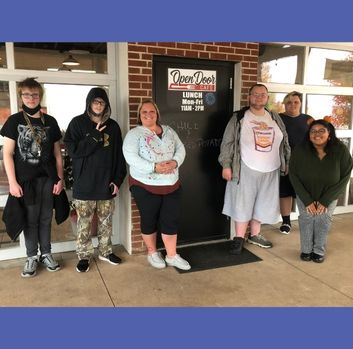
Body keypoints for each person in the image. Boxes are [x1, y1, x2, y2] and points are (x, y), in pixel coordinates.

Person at [0, 77, 64, 277]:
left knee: (46, 218)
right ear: (21, 96)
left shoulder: (50, 121)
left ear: (40, 96)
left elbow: (57, 155)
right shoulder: (14, 121)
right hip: (25, 181)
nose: (31, 98)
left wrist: (60, 178)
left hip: (47, 179)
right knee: (30, 220)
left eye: (35, 94)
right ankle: (31, 257)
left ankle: (46, 253)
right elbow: (7, 154)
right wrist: (12, 182)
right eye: (26, 94)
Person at [219, 83, 290, 255]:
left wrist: (286, 161)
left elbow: (284, 139)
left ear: (267, 98)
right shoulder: (239, 117)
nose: (259, 97)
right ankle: (239, 237)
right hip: (245, 167)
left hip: (271, 168)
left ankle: (256, 234)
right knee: (243, 202)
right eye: (255, 94)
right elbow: (227, 142)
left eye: (263, 94)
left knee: (263, 202)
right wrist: (226, 165)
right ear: (249, 97)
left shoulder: (274, 117)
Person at [123, 99, 190, 270]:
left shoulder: (169, 131)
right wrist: (153, 167)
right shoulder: (134, 134)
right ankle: (152, 252)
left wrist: (174, 163)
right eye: (144, 112)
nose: (148, 115)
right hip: (144, 185)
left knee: (171, 220)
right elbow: (131, 157)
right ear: (139, 115)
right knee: (149, 219)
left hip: (171, 184)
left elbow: (181, 149)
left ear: (157, 114)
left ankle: (172, 255)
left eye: (151, 111)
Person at [64, 88, 126, 273]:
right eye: (95, 101)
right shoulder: (77, 123)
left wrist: (117, 180)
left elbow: (119, 157)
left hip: (106, 183)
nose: (99, 105)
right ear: (89, 103)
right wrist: (93, 137)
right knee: (84, 223)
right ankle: (84, 255)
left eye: (102, 102)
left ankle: (105, 252)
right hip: (84, 185)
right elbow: (73, 151)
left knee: (106, 222)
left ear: (106, 104)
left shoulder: (113, 126)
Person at [289, 119, 352, 263]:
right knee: (306, 219)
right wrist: (307, 200)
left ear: (329, 133)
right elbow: (293, 174)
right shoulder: (300, 150)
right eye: (313, 131)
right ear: (309, 135)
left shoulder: (340, 150)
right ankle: (306, 250)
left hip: (329, 194)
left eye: (321, 130)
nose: (317, 134)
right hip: (305, 193)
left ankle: (318, 251)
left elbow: (345, 175)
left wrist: (325, 200)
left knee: (323, 220)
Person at [279, 91, 314, 234]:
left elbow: (317, 136)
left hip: (304, 163)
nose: (292, 105)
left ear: (300, 103)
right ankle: (286, 222)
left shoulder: (308, 119)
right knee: (285, 192)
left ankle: (307, 220)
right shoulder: (278, 118)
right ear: (284, 104)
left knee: (304, 192)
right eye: (289, 102)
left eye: (295, 102)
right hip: (284, 162)